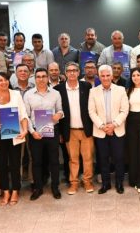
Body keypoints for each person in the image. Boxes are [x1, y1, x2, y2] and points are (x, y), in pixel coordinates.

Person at [0, 72, 29, 206]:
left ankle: (15, 190)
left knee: (15, 164)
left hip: (15, 134)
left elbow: (23, 114)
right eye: (0, 80)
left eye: (6, 80)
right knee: (1, 164)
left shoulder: (16, 94)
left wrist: (25, 130)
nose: (4, 82)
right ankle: (6, 191)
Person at [88, 64, 129, 194]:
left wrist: (114, 125)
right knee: (103, 158)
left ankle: (119, 183)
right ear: (99, 77)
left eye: (107, 75)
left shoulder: (121, 90)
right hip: (101, 131)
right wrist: (103, 126)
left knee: (119, 158)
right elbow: (91, 111)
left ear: (111, 76)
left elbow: (124, 110)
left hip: (117, 129)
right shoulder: (93, 91)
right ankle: (105, 184)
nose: (105, 78)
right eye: (103, 76)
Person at [24, 68, 64, 200]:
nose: (41, 79)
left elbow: (60, 110)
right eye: (38, 77)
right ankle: (38, 188)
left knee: (54, 160)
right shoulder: (28, 95)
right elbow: (26, 116)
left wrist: (58, 115)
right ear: (34, 79)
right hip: (36, 132)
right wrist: (32, 132)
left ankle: (55, 187)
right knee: (37, 161)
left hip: (52, 130)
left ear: (48, 78)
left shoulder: (56, 93)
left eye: (43, 76)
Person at [55, 62, 95, 194]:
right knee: (73, 159)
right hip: (69, 131)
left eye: (74, 70)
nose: (72, 73)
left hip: (86, 129)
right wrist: (60, 133)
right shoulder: (58, 89)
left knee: (88, 158)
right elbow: (58, 111)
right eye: (69, 70)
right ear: (65, 73)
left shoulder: (86, 86)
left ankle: (87, 181)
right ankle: (74, 183)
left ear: (78, 72)